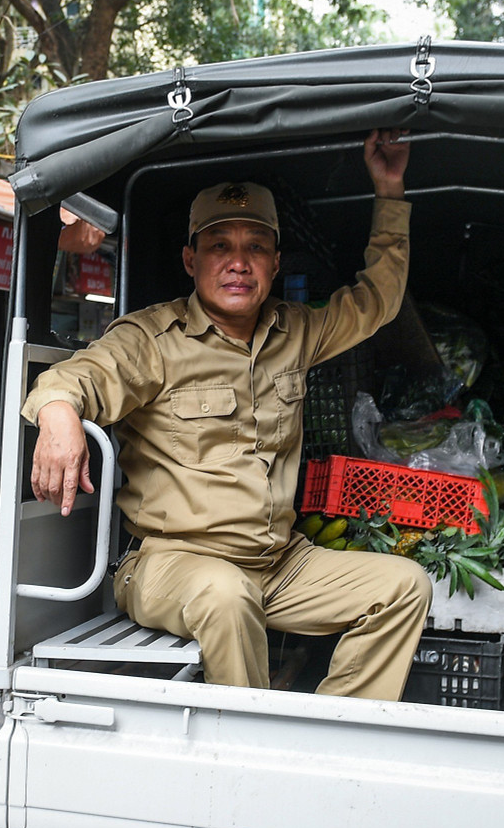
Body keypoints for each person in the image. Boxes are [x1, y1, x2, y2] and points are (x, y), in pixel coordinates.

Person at [24, 130, 430, 700]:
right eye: (219, 246)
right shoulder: (154, 339)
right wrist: (60, 417)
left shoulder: (297, 332)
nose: (238, 263)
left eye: (255, 247)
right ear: (191, 259)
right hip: (175, 565)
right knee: (224, 592)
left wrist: (389, 190)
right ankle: (255, 762)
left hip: (279, 564)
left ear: (274, 261)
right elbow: (77, 378)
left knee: (404, 586)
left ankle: (330, 741)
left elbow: (378, 300)